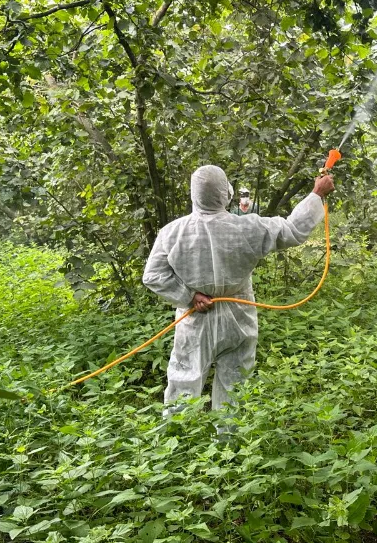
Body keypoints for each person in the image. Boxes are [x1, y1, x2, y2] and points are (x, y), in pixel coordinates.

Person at [143, 165, 335, 412]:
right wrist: (316, 195)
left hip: (195, 319)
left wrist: (190, 297)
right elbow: (293, 230)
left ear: (194, 194)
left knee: (184, 379)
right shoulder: (248, 227)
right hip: (238, 315)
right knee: (235, 384)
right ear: (226, 193)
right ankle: (229, 442)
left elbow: (153, 276)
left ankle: (177, 438)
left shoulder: (172, 232)